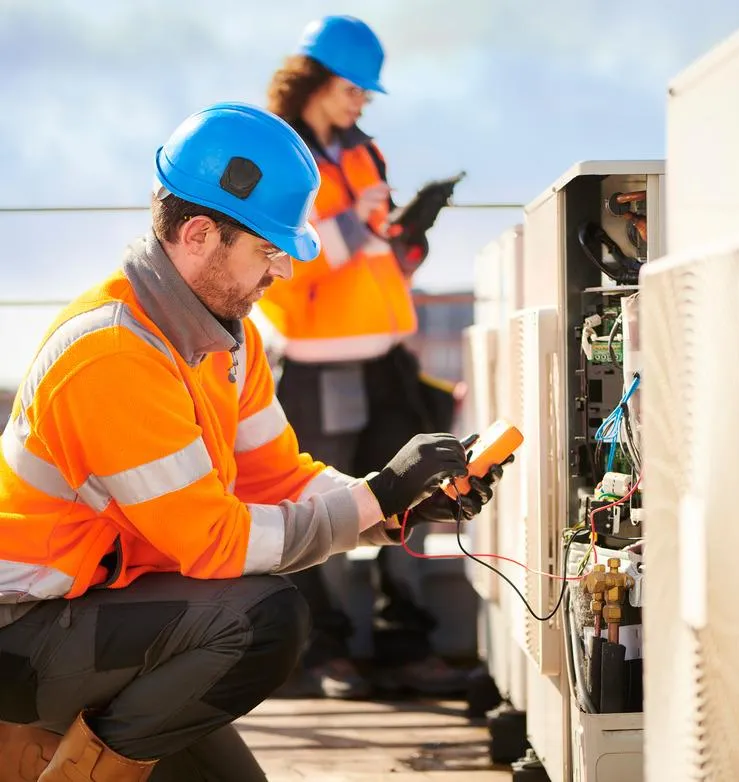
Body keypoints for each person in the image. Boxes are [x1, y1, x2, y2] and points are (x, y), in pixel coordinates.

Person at [0, 103, 505, 781]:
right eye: (269, 250)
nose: (284, 272)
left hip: (104, 611)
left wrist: (394, 508)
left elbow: (278, 476)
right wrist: (375, 493)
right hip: (23, 634)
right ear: (200, 234)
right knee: (263, 619)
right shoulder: (113, 353)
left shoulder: (229, 338)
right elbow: (218, 544)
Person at [256, 15, 472, 701]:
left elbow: (383, 260)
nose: (361, 102)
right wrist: (355, 223)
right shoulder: (277, 158)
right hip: (319, 364)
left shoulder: (364, 153)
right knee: (320, 500)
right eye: (354, 88)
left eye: (366, 93)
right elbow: (288, 260)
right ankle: (324, 655)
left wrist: (412, 229)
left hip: (385, 357)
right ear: (313, 79)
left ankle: (404, 646)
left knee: (408, 495)